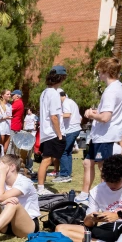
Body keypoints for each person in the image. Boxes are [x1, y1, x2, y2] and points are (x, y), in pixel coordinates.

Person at [56, 155, 122, 242]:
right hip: (108, 229)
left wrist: (118, 215)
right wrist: (91, 218)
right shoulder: (96, 191)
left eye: (116, 182)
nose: (112, 185)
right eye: (109, 182)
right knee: (60, 229)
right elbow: (87, 224)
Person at [75, 58, 122, 204]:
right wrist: (96, 112)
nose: (98, 74)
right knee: (88, 163)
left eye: (100, 71)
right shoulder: (119, 87)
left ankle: (106, 199)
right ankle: (84, 194)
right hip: (101, 136)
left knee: (104, 169)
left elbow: (106, 117)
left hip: (105, 136)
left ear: (106, 72)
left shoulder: (111, 91)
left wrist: (91, 114)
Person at [0, 154, 40, 239]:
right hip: (6, 225)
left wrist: (2, 175)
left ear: (12, 167)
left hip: (27, 226)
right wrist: (1, 203)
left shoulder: (24, 182)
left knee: (13, 203)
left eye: (1, 167)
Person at [37, 66, 67, 196]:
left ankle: (40, 186)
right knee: (47, 160)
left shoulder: (45, 92)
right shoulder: (54, 94)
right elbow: (54, 116)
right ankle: (40, 187)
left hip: (46, 131)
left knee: (47, 159)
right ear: (61, 78)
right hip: (52, 132)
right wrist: (59, 134)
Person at [52, 89, 82, 183]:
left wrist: (57, 115)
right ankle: (67, 174)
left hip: (70, 130)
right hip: (74, 129)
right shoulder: (71, 102)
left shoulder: (66, 103)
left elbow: (67, 115)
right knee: (68, 152)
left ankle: (64, 174)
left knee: (63, 152)